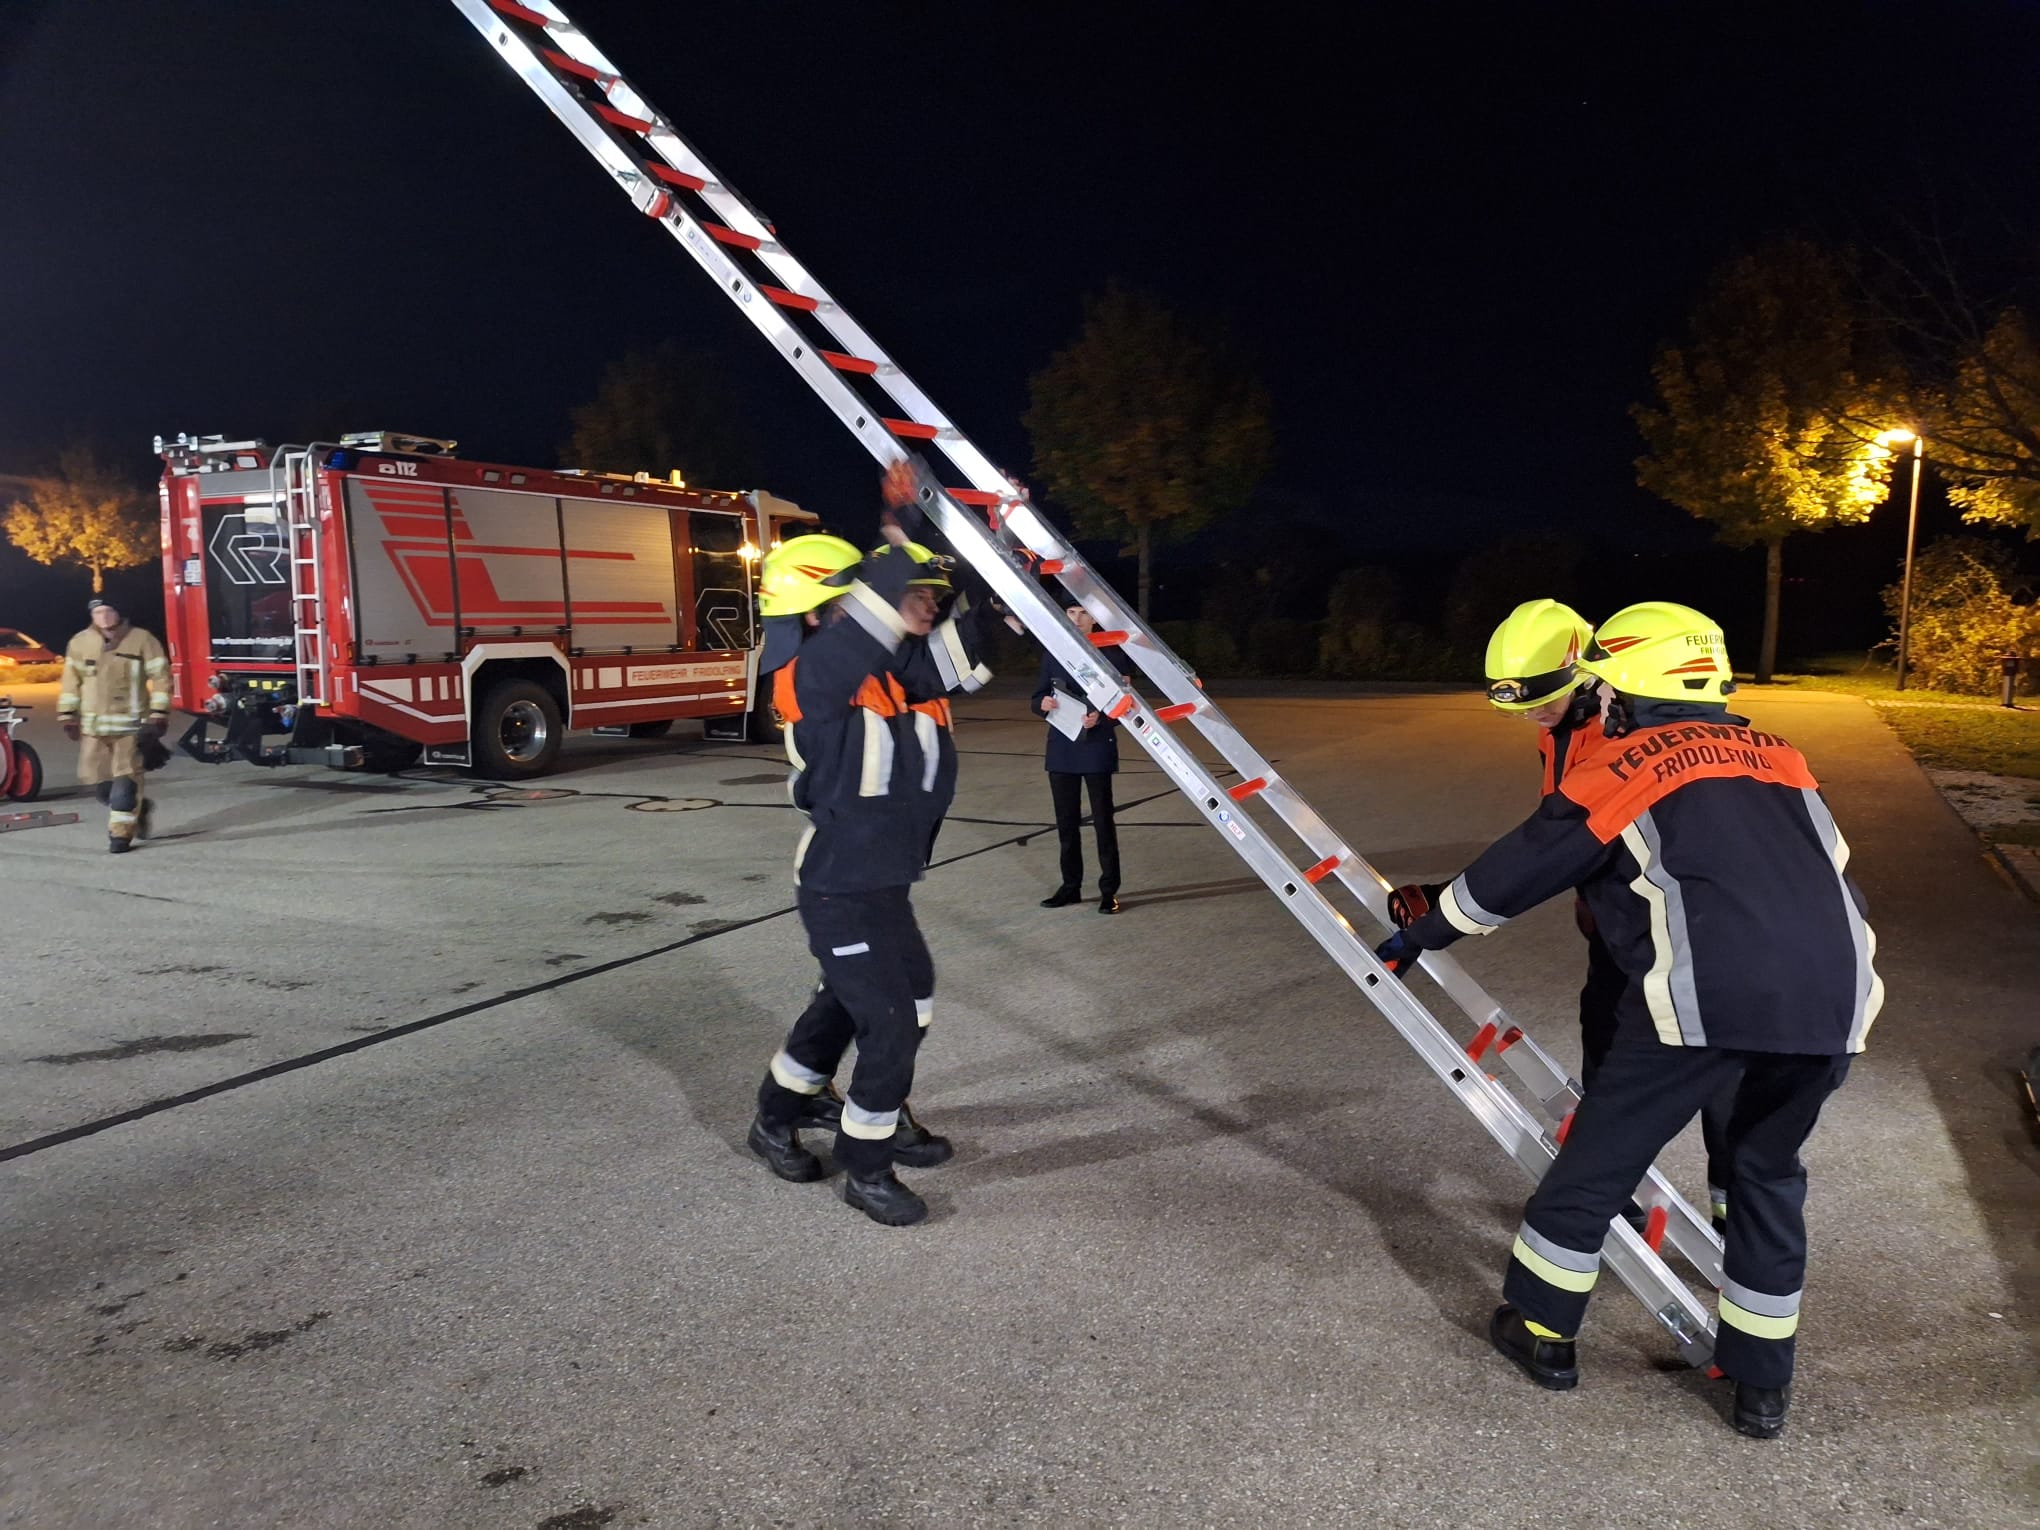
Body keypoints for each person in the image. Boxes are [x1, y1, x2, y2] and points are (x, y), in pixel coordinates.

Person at [1376, 601, 1879, 1439]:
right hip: (1835, 1003)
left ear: (1629, 690)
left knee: (1595, 1165)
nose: (1598, 701)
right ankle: (1760, 1387)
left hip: (1708, 997)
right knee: (1767, 1174)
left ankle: (1541, 1333)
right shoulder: (1783, 755)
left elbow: (1520, 869)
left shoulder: (1635, 759)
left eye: (1604, 686)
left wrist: (1424, 930)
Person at [1393, 598, 1735, 1232]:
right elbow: (1555, 830)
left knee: (1719, 1066)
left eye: (1543, 702)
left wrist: (1443, 911)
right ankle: (1611, 1191)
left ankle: (1727, 1204)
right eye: (1521, 708)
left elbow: (1561, 846)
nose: (1536, 717)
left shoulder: (1623, 729)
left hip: (1677, 928)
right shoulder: (1560, 726)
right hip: (1619, 931)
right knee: (1606, 1045)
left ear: (1585, 670)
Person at [744, 466, 1005, 1227]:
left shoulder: (887, 675)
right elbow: (869, 628)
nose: (916, 610)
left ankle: (778, 1113)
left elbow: (953, 661)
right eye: (904, 601)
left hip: (882, 882)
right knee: (892, 1019)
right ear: (826, 613)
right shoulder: (810, 678)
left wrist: (997, 596)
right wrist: (899, 529)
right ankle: (866, 1164)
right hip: (840, 886)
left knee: (871, 1004)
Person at [57, 598, 170, 854]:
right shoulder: (79, 642)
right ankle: (140, 809)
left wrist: (159, 713)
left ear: (119, 613)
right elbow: (70, 681)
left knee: (125, 785)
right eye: (98, 612)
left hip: (131, 727)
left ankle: (120, 835)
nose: (104, 617)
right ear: (92, 616)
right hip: (93, 729)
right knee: (97, 783)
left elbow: (161, 676)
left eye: (109, 611)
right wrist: (67, 715)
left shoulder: (142, 639)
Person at [1034, 602, 1122, 915]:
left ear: (1095, 618)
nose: (1077, 618)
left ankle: (1108, 890)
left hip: (1096, 746)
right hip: (1062, 747)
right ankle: (1070, 886)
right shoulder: (1053, 653)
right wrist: (1042, 703)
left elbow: (1122, 704)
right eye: (1071, 612)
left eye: (1083, 612)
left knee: (1102, 823)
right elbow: (1037, 697)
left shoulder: (1111, 654)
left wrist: (1102, 717)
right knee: (1066, 824)